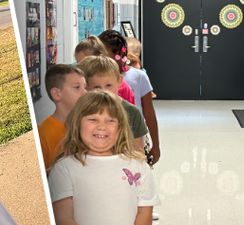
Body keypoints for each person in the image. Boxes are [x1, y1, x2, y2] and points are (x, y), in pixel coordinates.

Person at [48, 90, 157, 225]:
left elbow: (144, 214)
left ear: (121, 127)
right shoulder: (64, 168)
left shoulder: (138, 166)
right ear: (77, 123)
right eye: (92, 119)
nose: (101, 126)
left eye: (110, 120)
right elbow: (63, 219)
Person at [99, 30, 158, 164]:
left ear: (121, 54)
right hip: (105, 141)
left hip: (133, 140)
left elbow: (149, 112)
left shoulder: (139, 76)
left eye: (108, 56)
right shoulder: (97, 80)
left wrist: (156, 144)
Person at [38, 63, 88, 173]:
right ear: (56, 94)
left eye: (84, 87)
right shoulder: (42, 135)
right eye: (77, 87)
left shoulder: (90, 125)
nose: (85, 93)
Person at [78, 56, 142, 130]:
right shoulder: (81, 110)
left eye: (108, 85)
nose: (103, 91)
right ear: (87, 85)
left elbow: (136, 141)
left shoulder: (132, 112)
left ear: (119, 81)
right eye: (97, 87)